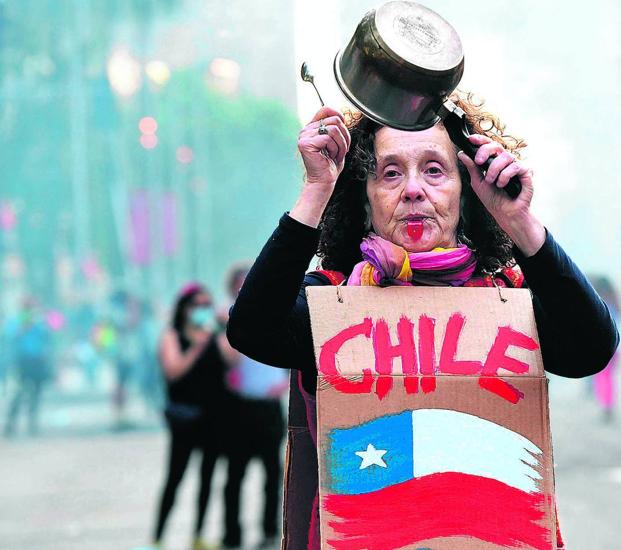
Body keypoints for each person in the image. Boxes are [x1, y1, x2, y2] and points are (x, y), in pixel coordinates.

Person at [226, 95, 620, 549]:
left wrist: (518, 219)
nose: (413, 190)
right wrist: (317, 188)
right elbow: (251, 329)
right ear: (364, 196)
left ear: (465, 190)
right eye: (390, 173)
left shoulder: (507, 295)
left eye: (435, 170)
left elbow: (590, 349)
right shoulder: (330, 298)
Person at [151, 282, 232, 550]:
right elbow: (173, 370)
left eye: (205, 305)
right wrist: (196, 346)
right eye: (195, 306)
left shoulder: (214, 334)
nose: (201, 310)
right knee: (175, 478)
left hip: (215, 418)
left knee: (207, 479)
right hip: (184, 420)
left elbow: (234, 359)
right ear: (184, 308)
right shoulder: (172, 336)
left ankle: (198, 535)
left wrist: (225, 328)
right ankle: (158, 537)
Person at [219, 266, 288, 549]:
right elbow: (227, 359)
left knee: (273, 474)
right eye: (239, 285)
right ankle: (231, 534)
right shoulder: (226, 320)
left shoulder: (276, 313)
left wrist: (283, 387)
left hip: (269, 406)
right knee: (235, 475)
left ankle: (270, 531)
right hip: (241, 407)